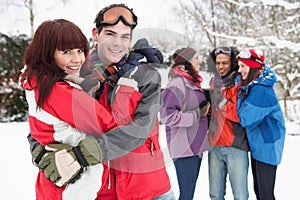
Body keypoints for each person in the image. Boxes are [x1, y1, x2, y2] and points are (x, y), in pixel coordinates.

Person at [29, 4, 175, 200]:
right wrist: (41, 153)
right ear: (96, 34)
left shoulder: (146, 76)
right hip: (100, 191)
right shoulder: (74, 69)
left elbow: (141, 129)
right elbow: (45, 120)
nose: (117, 43)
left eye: (125, 36)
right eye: (110, 34)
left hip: (148, 189)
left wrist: (83, 154)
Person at [20, 18, 143, 199]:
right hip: (74, 189)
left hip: (53, 186)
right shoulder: (61, 93)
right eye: (67, 52)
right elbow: (114, 126)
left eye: (80, 51)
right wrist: (127, 87)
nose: (77, 59)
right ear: (47, 53)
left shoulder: (36, 82)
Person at [160, 47, 210, 200]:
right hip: (184, 149)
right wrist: (196, 114)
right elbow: (167, 116)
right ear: (186, 61)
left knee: (189, 192)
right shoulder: (176, 84)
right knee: (187, 194)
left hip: (195, 147)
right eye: (196, 58)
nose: (200, 62)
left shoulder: (191, 82)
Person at [236, 48, 286, 200]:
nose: (239, 71)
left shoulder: (262, 91)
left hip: (267, 146)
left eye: (243, 66)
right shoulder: (255, 86)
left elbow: (245, 118)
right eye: (239, 66)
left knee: (265, 194)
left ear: (253, 67)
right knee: (260, 191)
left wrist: (238, 91)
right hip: (260, 145)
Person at [206, 46, 250, 200]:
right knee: (215, 195)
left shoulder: (241, 83)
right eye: (217, 63)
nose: (220, 67)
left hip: (235, 146)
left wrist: (220, 101)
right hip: (215, 145)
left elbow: (240, 115)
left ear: (232, 62)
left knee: (240, 195)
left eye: (224, 63)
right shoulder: (213, 82)